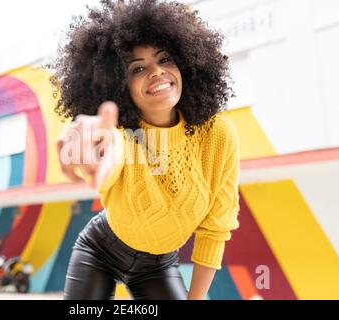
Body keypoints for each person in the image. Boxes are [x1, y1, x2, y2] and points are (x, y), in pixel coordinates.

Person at [52, 0, 240, 300]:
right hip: (99, 249)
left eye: (165, 59)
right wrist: (88, 146)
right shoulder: (123, 136)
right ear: (117, 86)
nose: (156, 72)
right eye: (138, 68)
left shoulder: (218, 136)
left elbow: (216, 227)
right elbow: (110, 149)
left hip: (158, 264)